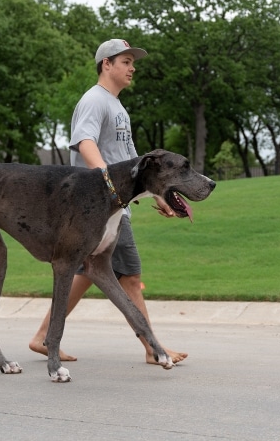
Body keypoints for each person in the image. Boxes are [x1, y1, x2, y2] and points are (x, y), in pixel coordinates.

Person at [28, 39, 188, 365]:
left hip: (112, 203)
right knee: (129, 275)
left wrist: (159, 194)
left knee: (89, 271)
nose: (132, 68)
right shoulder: (94, 101)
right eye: (126, 62)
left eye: (133, 63)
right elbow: (84, 142)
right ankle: (152, 348)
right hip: (99, 204)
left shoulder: (118, 107)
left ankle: (43, 336)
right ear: (106, 64)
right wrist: (108, 186)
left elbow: (134, 165)